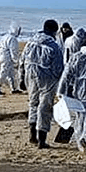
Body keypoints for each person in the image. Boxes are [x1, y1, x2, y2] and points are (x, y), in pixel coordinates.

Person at [21, 19, 64, 149]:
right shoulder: (54, 46)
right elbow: (58, 68)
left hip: (30, 76)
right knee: (45, 107)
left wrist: (22, 78)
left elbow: (22, 60)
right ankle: (42, 139)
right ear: (55, 31)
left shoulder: (31, 42)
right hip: (47, 79)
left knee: (33, 103)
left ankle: (32, 134)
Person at [0, 23, 22, 95]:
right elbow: (14, 51)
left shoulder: (5, 37)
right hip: (7, 58)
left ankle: (14, 88)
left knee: (10, 74)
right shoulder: (13, 39)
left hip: (2, 56)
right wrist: (16, 61)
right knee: (4, 73)